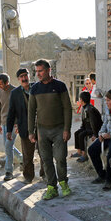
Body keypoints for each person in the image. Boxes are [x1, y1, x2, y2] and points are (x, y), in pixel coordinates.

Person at [28, 59, 72, 200]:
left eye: (41, 71)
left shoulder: (60, 86)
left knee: (60, 158)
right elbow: (31, 111)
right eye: (37, 71)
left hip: (59, 129)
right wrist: (31, 131)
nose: (38, 74)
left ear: (48, 70)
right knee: (46, 160)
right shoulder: (34, 89)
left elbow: (67, 108)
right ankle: (51, 187)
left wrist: (67, 129)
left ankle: (63, 183)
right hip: (42, 131)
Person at [6, 68, 45, 184]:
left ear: (29, 76)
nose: (24, 78)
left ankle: (45, 175)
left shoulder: (38, 87)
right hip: (25, 129)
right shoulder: (15, 93)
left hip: (41, 127)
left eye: (25, 75)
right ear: (18, 79)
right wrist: (9, 130)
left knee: (44, 153)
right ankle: (28, 177)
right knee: (27, 156)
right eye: (21, 77)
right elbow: (11, 113)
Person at [0, 73, 23, 181]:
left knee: (8, 146)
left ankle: (9, 171)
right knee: (7, 146)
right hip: (4, 123)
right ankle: (22, 159)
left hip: (14, 124)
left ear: (7, 82)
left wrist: (19, 124)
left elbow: (20, 109)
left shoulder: (16, 91)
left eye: (1, 84)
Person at [71, 91, 102, 163]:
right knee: (77, 133)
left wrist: (95, 134)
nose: (79, 100)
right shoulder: (84, 107)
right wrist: (82, 128)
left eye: (80, 99)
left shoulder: (90, 109)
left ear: (82, 100)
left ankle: (84, 155)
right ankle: (79, 152)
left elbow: (93, 123)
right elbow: (84, 121)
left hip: (94, 129)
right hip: (87, 127)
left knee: (81, 135)